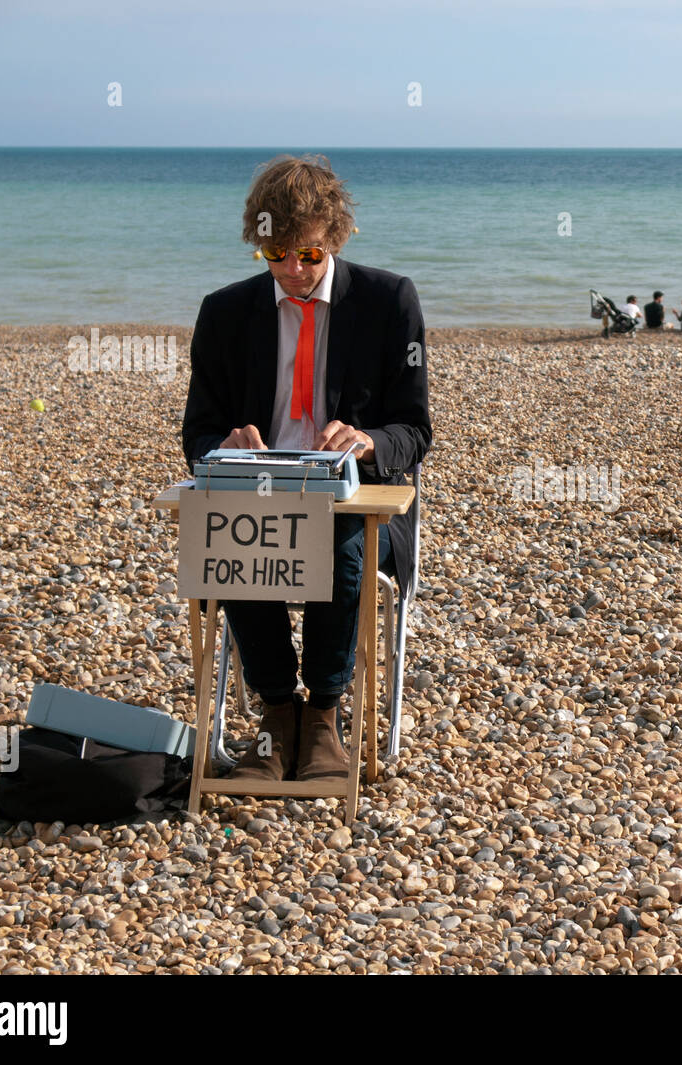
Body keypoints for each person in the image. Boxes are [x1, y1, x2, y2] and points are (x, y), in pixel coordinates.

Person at [182, 154, 432, 783]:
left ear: (336, 239)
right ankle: (275, 714)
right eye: (276, 255)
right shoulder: (224, 312)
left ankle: (322, 714)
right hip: (260, 490)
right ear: (258, 245)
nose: (293, 270)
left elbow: (415, 431)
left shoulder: (388, 300)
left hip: (357, 500)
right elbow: (197, 433)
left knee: (337, 537)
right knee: (233, 533)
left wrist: (368, 441)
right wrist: (226, 445)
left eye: (310, 255)